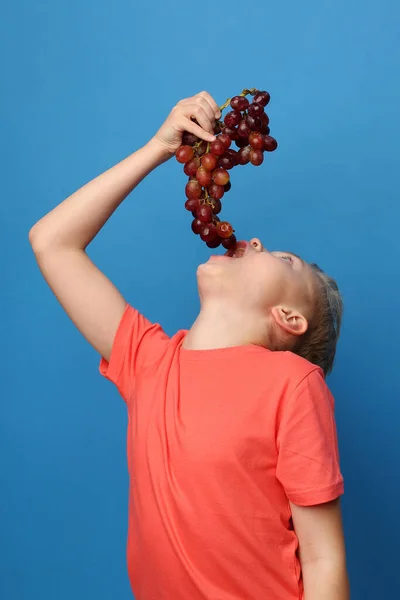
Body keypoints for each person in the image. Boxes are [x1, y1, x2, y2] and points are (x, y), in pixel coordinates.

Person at [29, 91, 350, 600]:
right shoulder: (148, 361)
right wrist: (158, 148)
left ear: (289, 319)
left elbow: (323, 555)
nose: (258, 242)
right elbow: (52, 240)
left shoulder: (292, 384)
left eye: (285, 260)